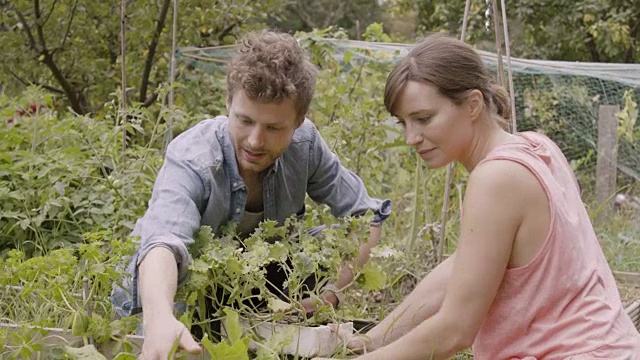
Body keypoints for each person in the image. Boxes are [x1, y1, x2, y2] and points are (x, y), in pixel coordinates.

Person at [316, 33, 640, 360]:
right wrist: (370, 341)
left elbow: (455, 330)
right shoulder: (538, 147)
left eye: (424, 118)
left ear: (472, 104)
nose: (411, 138)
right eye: (403, 123)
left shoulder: (495, 178)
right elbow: (461, 273)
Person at [111, 30, 391, 359]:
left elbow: (365, 217)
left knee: (321, 242)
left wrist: (330, 293)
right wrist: (160, 318)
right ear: (228, 103)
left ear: (299, 121)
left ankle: (272, 328)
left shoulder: (306, 145)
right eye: (244, 121)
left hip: (252, 284)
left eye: (273, 128)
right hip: (177, 288)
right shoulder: (195, 157)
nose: (255, 141)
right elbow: (163, 242)